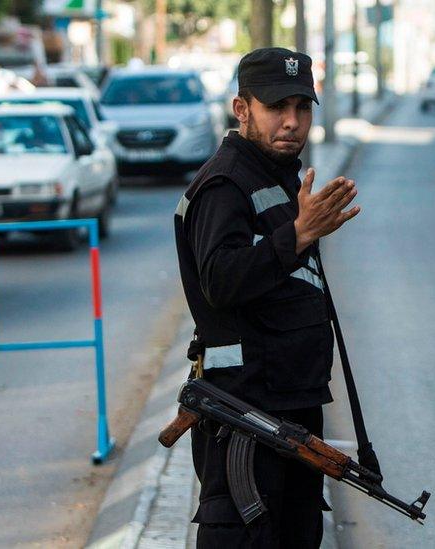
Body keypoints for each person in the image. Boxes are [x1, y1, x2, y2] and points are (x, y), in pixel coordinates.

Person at [173, 47, 360, 547]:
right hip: (244, 410)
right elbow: (221, 280)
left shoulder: (278, 178)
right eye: (277, 107)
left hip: (289, 406)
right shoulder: (225, 184)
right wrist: (296, 235)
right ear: (242, 109)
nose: (292, 122)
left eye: (302, 107)